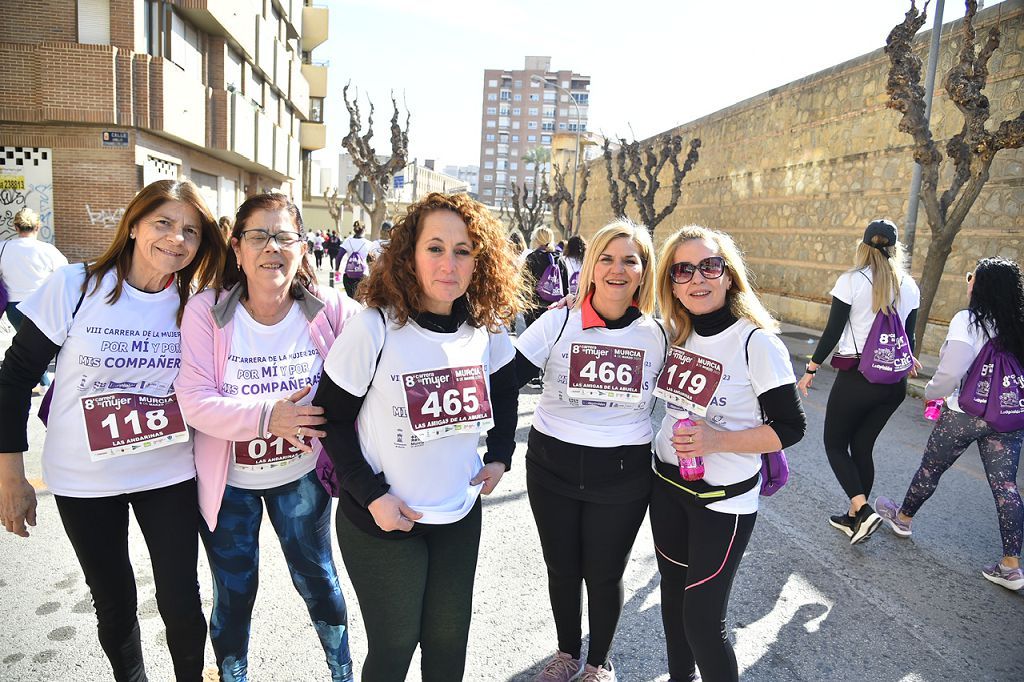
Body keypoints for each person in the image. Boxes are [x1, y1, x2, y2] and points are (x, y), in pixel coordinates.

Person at [0, 179, 226, 681]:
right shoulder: (76, 286)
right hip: (84, 480)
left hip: (166, 472)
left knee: (181, 599)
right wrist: (11, 478)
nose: (177, 239)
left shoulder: (196, 305)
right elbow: (13, 379)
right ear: (134, 225)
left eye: (190, 230)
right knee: (115, 601)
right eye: (163, 223)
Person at [313, 192, 528, 681]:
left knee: (448, 647)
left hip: (458, 513)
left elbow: (507, 391)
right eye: (435, 248)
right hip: (384, 520)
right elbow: (329, 418)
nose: (449, 263)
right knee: (394, 648)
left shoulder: (486, 330)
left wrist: (499, 456)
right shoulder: (374, 328)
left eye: (463, 249)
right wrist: (372, 497)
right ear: (409, 255)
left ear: (481, 259)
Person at [176, 193, 361, 681]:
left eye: (284, 237)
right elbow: (194, 401)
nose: (271, 248)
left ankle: (342, 672)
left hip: (302, 476)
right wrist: (269, 418)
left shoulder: (332, 311)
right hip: (230, 482)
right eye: (258, 236)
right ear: (237, 248)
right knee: (234, 591)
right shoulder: (207, 311)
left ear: (303, 248)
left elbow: (379, 363)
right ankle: (233, 675)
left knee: (318, 580)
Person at [651, 226, 806, 682]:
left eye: (710, 266)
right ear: (672, 283)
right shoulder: (673, 332)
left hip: (723, 502)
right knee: (673, 606)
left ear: (728, 275)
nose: (697, 279)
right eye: (683, 270)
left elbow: (790, 428)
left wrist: (716, 441)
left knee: (702, 622)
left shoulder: (756, 343)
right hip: (666, 487)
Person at [515, 220, 666, 682]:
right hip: (552, 467)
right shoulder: (559, 319)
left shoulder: (660, 334)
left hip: (622, 473)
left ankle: (598, 664)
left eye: (630, 260)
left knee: (604, 573)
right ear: (590, 266)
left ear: (644, 272)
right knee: (561, 567)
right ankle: (565, 654)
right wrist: (495, 449)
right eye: (606, 258)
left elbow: (701, 389)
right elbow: (501, 382)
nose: (617, 269)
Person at [875, 257, 1024, 591]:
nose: (968, 281)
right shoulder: (1018, 324)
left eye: (972, 276)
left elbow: (952, 370)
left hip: (964, 414)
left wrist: (932, 392)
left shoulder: (967, 320)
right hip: (1008, 416)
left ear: (980, 285)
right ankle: (1011, 565)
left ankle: (903, 519)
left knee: (931, 468)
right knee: (1006, 487)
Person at [798, 219, 920, 544]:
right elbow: (909, 339)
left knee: (835, 444)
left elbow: (833, 331)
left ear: (864, 245)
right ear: (895, 249)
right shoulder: (910, 285)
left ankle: (863, 511)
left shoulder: (852, 281)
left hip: (858, 378)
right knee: (862, 446)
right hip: (894, 385)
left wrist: (811, 369)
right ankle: (854, 518)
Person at [0, 208, 68, 388]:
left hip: (14, 307)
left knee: (27, 346)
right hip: (41, 304)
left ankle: (42, 381)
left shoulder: (3, 248)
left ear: (16, 227)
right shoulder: (48, 250)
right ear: (38, 226)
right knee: (42, 346)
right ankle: (46, 383)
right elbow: (64, 274)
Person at [523, 227, 561, 329]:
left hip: (534, 308)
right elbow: (565, 284)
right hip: (555, 308)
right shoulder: (559, 259)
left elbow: (524, 284)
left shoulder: (532, 258)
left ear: (536, 240)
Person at [339, 221, 372, 298]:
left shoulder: (347, 241)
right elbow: (371, 260)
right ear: (364, 230)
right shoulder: (369, 244)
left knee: (351, 299)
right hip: (363, 275)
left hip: (348, 275)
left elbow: (339, 256)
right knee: (360, 300)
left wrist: (337, 269)